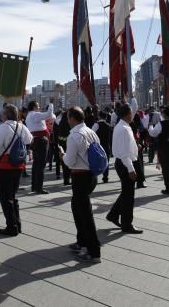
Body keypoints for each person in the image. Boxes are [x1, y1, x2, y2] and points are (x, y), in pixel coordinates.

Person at [0, 104, 33, 236]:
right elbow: (30, 139)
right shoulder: (21, 126)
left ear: (5, 115)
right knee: (12, 195)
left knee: (5, 197)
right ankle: (17, 224)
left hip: (6, 165)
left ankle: (11, 226)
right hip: (18, 165)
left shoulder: (3, 127)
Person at [62, 106, 101, 263]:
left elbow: (70, 161)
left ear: (72, 118)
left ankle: (94, 251)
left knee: (85, 213)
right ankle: (82, 241)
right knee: (77, 207)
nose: (67, 120)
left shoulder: (74, 135)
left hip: (80, 176)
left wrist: (61, 155)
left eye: (68, 118)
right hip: (92, 174)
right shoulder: (91, 132)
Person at [106, 103, 142, 234]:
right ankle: (127, 224)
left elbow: (125, 148)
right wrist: (131, 169)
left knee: (126, 193)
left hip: (122, 162)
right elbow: (125, 153)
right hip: (125, 164)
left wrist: (135, 148)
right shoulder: (124, 129)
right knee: (129, 197)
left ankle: (113, 215)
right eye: (131, 112)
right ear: (128, 114)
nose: (133, 114)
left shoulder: (121, 126)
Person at [25, 100, 54, 194]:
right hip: (41, 141)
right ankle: (39, 188)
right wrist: (51, 104)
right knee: (41, 165)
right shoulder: (34, 115)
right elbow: (49, 114)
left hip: (35, 141)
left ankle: (34, 186)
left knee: (36, 164)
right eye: (37, 106)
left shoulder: (29, 116)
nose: (39, 108)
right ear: (33, 107)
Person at [92, 111, 111, 183]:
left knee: (96, 162)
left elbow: (92, 134)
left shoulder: (96, 125)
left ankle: (95, 177)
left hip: (98, 146)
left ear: (99, 116)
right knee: (106, 162)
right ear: (106, 117)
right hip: (107, 146)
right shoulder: (109, 125)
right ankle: (105, 177)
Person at [55, 108, 71, 184]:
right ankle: (67, 179)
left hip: (61, 144)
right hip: (68, 144)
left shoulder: (60, 122)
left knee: (64, 163)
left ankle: (65, 179)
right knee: (68, 162)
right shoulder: (68, 123)